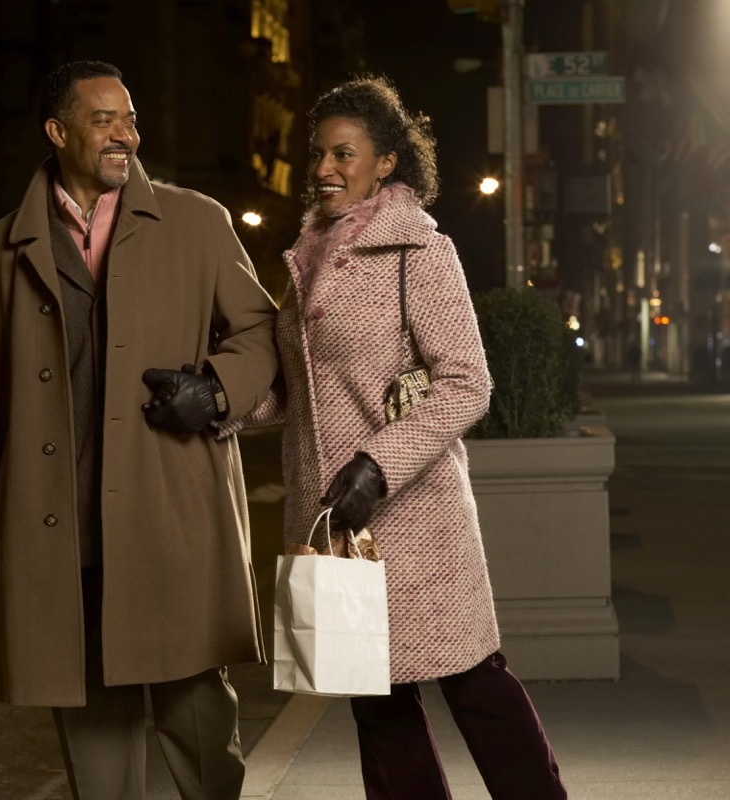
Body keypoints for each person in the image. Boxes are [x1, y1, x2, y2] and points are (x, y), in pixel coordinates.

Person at [0, 60, 278, 800]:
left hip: (170, 523)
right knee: (97, 756)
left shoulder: (198, 223)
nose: (125, 135)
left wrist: (216, 390)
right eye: (105, 120)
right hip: (60, 536)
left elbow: (261, 334)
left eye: (130, 119)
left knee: (199, 729)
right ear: (57, 131)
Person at [234, 75, 568, 799]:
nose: (324, 168)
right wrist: (219, 403)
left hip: (416, 521)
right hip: (336, 529)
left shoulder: (419, 251)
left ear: (386, 162)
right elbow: (295, 393)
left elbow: (466, 383)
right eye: (318, 153)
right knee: (377, 704)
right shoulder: (308, 259)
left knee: (475, 683)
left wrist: (377, 466)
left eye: (343, 154)